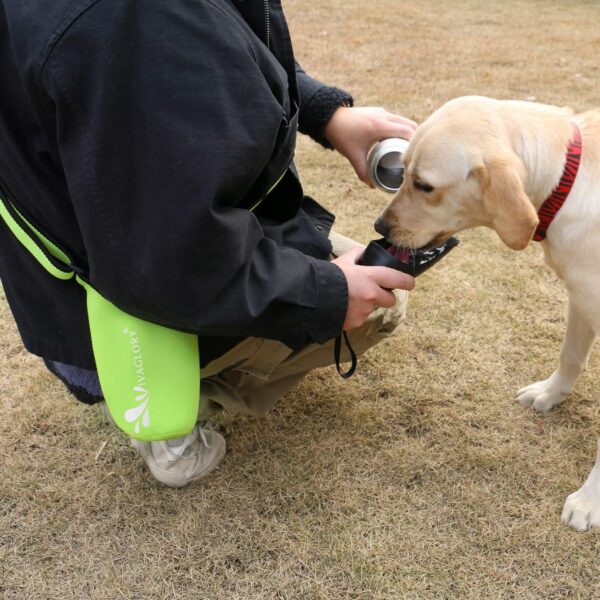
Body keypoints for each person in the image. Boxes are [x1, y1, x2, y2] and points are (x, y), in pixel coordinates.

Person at [0, 0, 416, 487]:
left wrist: (325, 113)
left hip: (67, 260)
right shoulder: (133, 24)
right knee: (381, 304)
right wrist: (326, 293)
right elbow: (172, 260)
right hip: (108, 305)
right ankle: (163, 410)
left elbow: (225, 36)